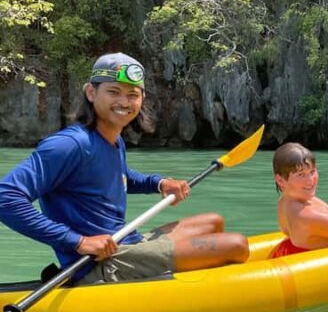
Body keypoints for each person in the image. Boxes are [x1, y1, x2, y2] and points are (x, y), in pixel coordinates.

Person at [0, 52, 249, 285]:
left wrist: (159, 184)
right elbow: (6, 197)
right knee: (237, 245)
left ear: (142, 99)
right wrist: (77, 242)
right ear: (91, 92)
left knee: (213, 221)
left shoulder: (112, 139)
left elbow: (119, 176)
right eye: (114, 92)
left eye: (132, 94)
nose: (124, 102)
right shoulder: (69, 144)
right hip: (97, 263)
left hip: (126, 241)